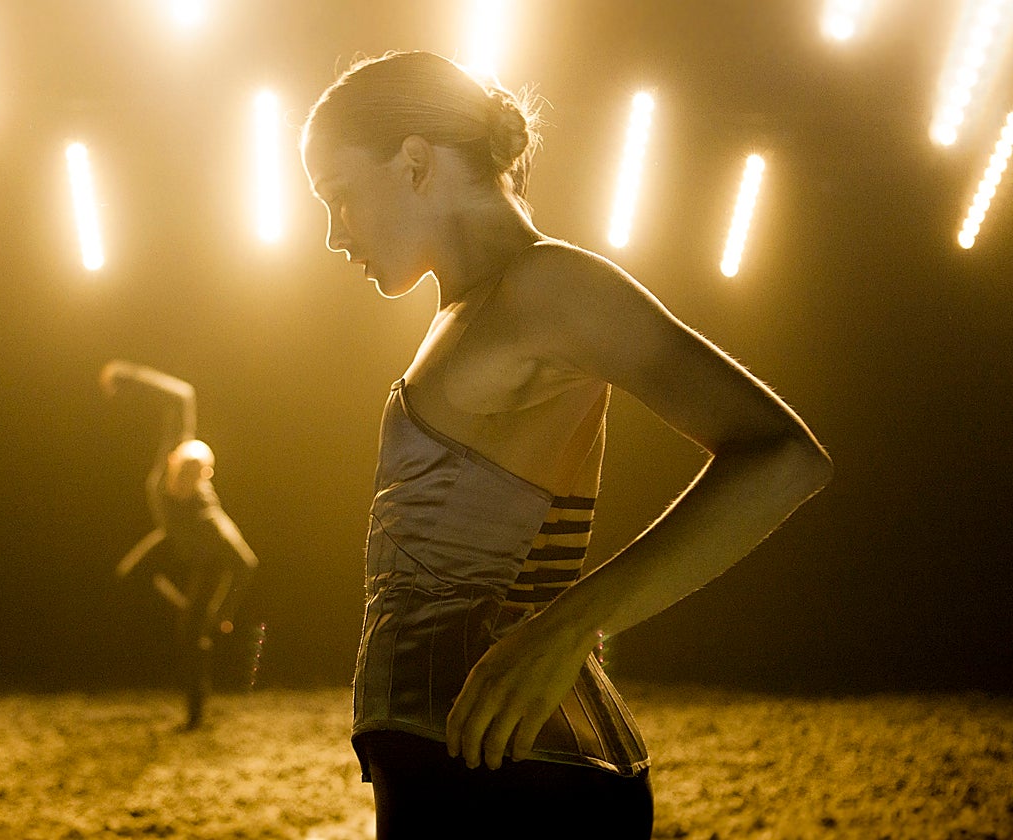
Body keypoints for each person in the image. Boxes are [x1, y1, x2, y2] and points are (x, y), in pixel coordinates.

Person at [300, 51, 833, 838]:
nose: (332, 236)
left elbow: (784, 458)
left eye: (340, 197)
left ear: (415, 163)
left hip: (516, 775)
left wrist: (569, 626)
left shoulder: (548, 286)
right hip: (459, 757)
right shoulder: (471, 308)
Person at [100, 360, 260, 730]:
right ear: (173, 460)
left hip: (203, 558)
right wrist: (127, 376)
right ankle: (188, 610)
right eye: (181, 474)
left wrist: (221, 615)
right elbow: (181, 395)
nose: (183, 483)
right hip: (171, 538)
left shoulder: (210, 519)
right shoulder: (175, 450)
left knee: (191, 637)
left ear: (204, 477)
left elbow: (245, 563)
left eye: (193, 479)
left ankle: (194, 715)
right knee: (129, 577)